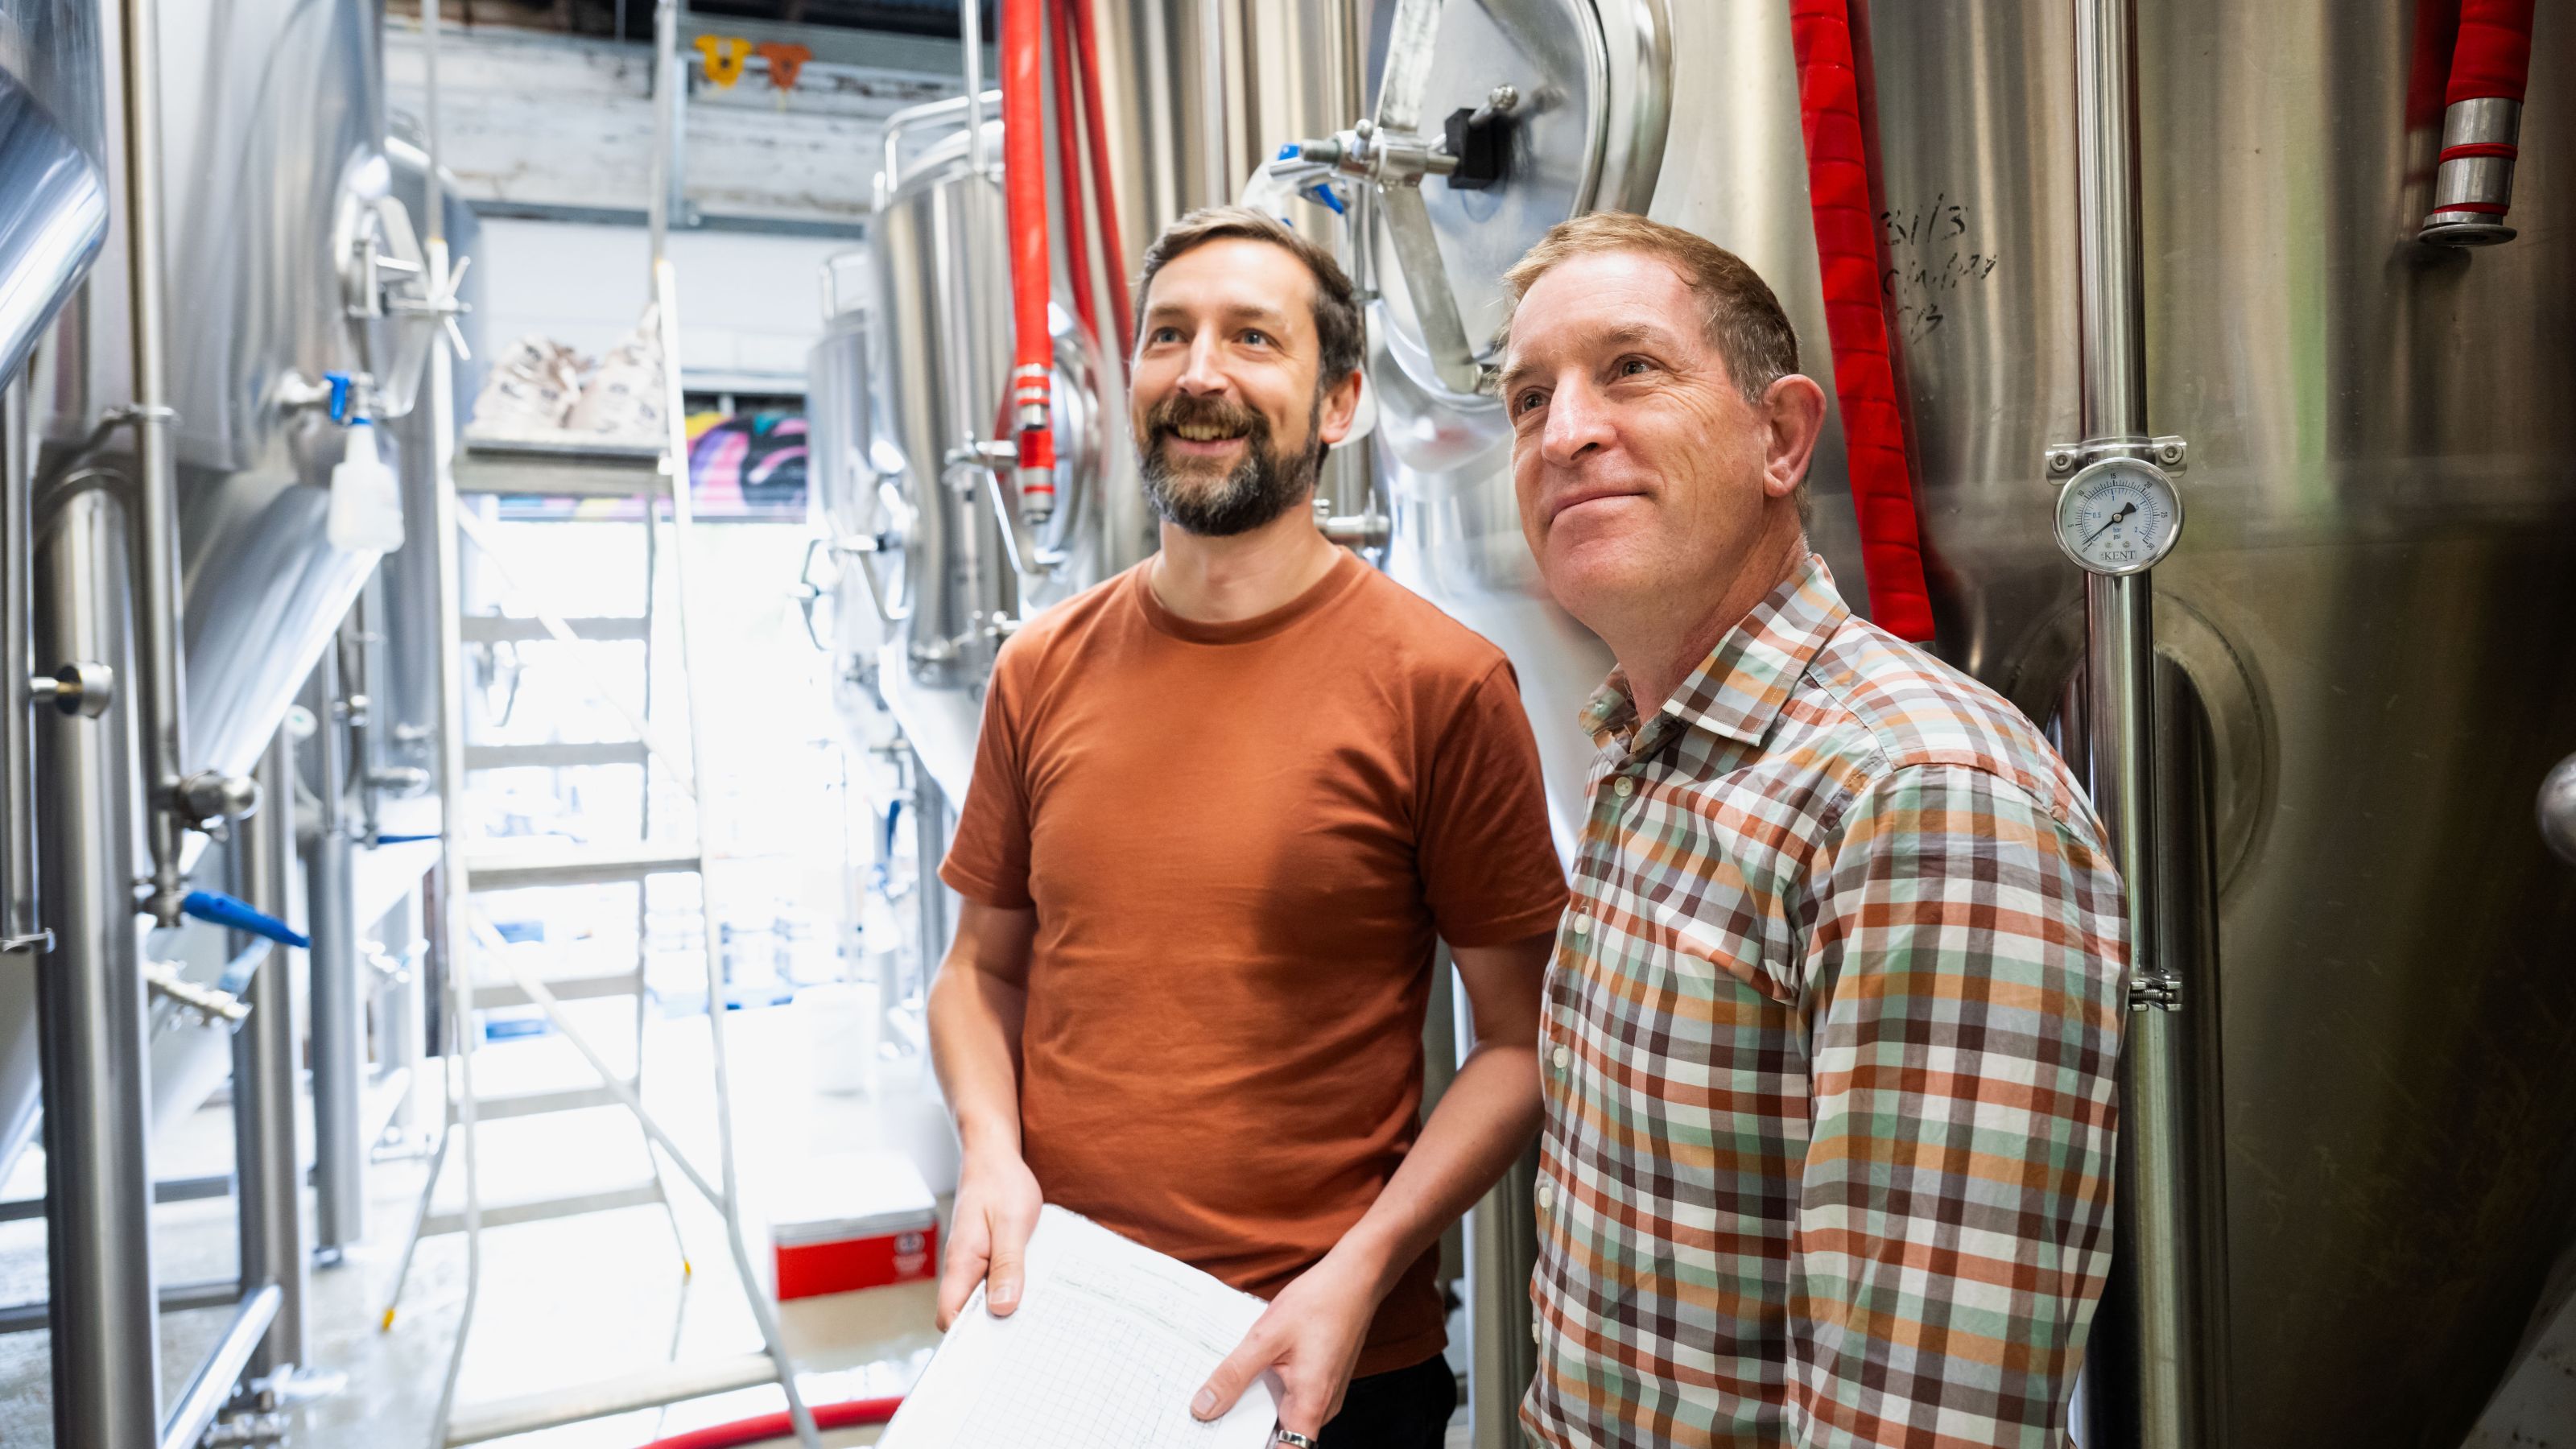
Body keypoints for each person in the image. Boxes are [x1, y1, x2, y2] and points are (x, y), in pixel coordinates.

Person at [927, 205, 1568, 1449]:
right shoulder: (1040, 665)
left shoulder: (1443, 684)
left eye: (1250, 340)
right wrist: (990, 1160)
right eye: (1169, 336)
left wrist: (1367, 1264)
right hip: (1054, 1319)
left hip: (1320, 1352)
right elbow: (976, 970)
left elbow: (1521, 1040)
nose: (1200, 373)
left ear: (1337, 403)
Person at [1496, 210, 2130, 1447]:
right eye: (1528, 399)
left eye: (1629, 368)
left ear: (1780, 435)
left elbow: (1927, 1415)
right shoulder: (1661, 756)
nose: (1565, 431)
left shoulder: (1923, 797)